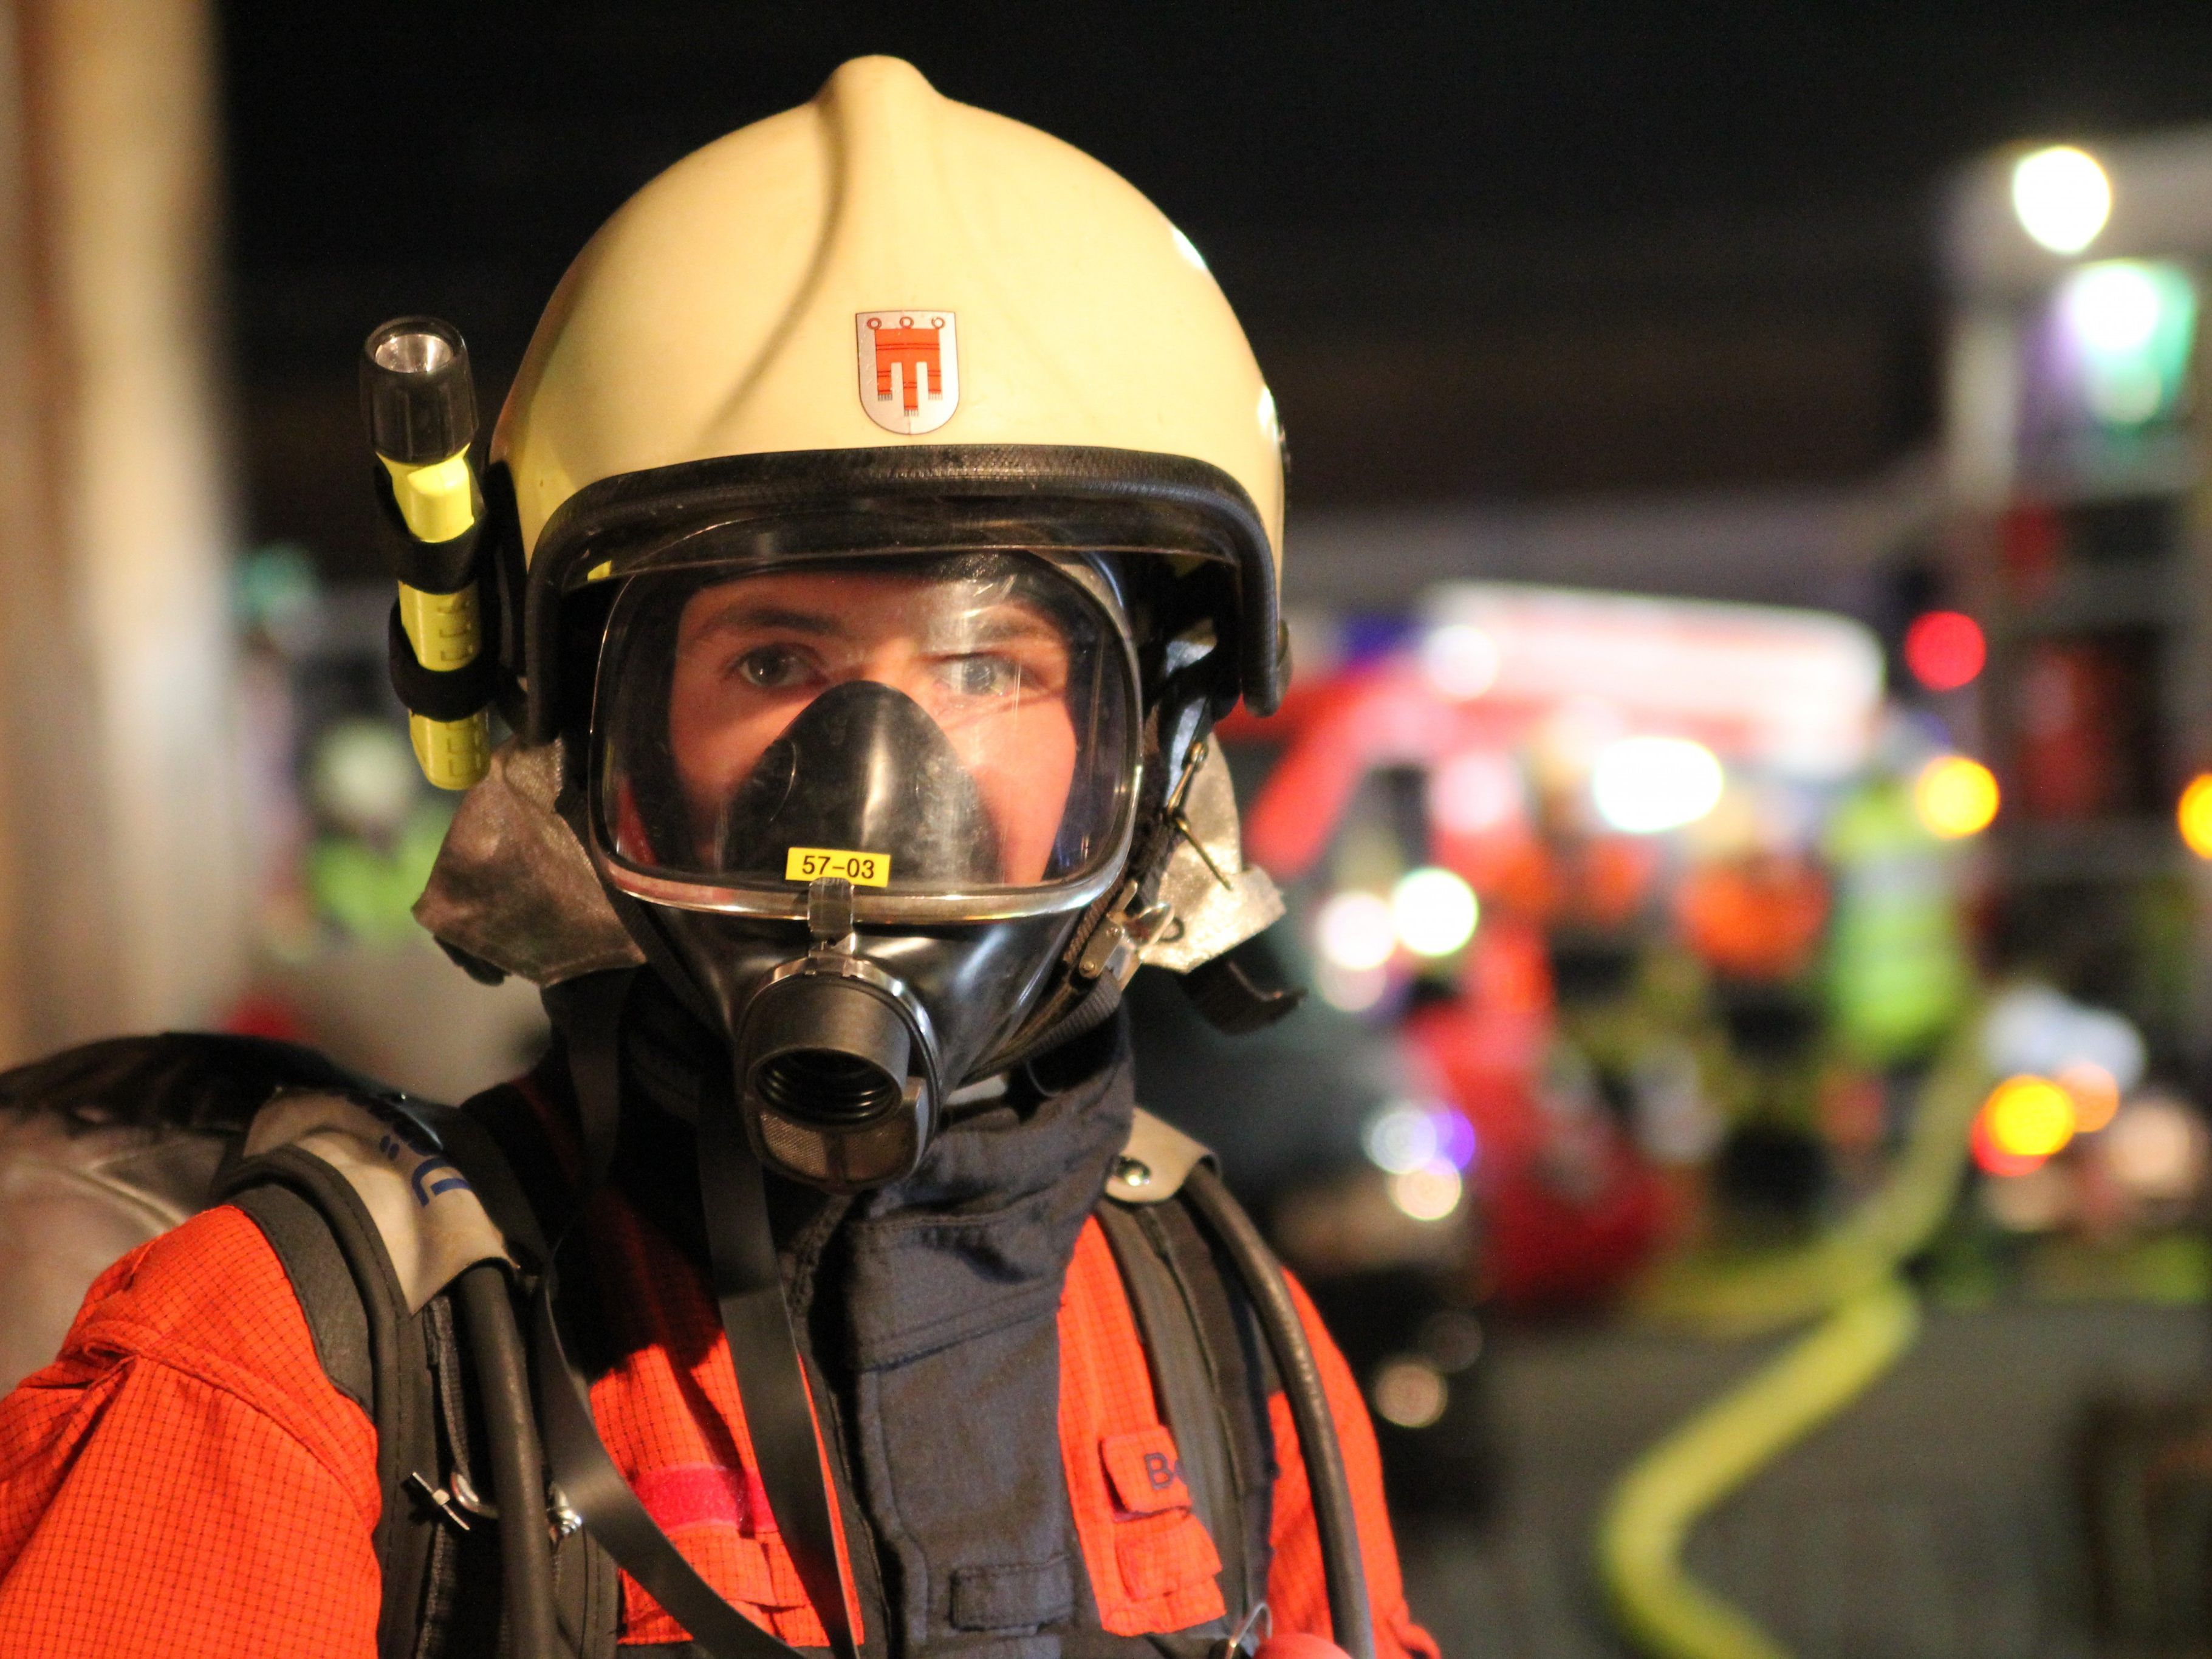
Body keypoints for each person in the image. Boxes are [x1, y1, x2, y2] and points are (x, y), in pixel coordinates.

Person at [0, 56, 1437, 1659]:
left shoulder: (1219, 1337)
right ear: (585, 730)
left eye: (986, 667)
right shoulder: (296, 1360)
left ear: (1151, 747)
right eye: (771, 660)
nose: (881, 777)